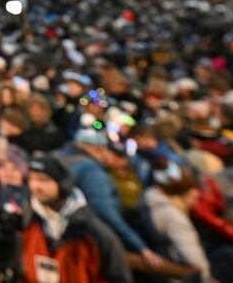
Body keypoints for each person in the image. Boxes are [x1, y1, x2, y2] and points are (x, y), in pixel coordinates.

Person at [57, 119, 165, 268]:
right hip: (79, 237)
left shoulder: (59, 156)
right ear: (99, 148)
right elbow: (106, 213)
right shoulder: (92, 171)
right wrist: (140, 246)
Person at [21, 155, 131, 283]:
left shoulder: (92, 231)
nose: (35, 186)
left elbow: (118, 275)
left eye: (44, 180)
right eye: (31, 179)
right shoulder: (28, 222)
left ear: (63, 184)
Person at [142, 159, 211, 282]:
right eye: (192, 190)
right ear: (183, 193)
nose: (197, 195)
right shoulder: (174, 217)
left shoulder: (150, 202)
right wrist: (207, 277)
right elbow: (193, 257)